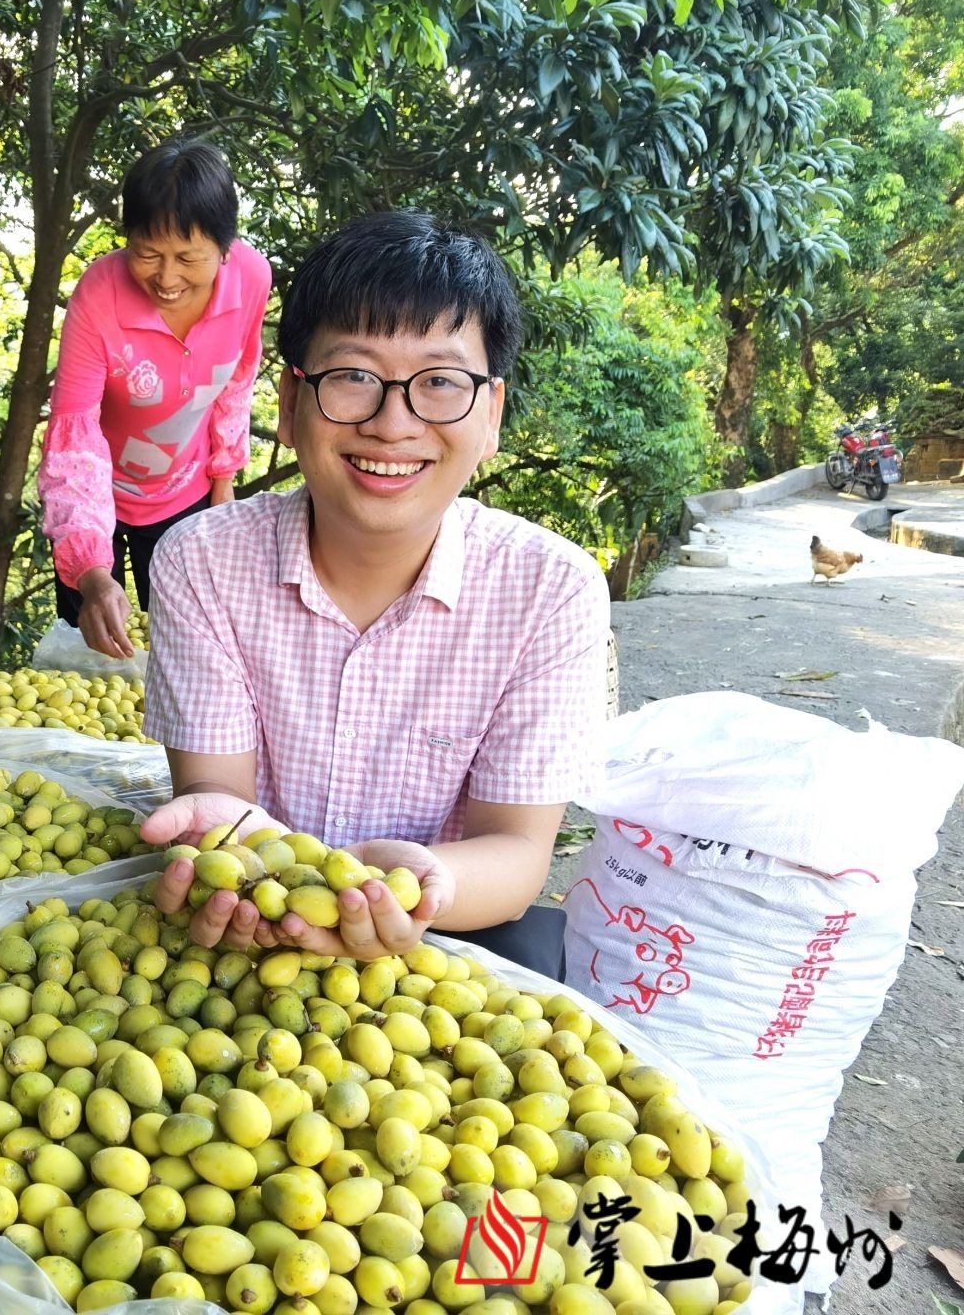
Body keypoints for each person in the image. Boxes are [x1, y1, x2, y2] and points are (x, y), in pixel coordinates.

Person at [138, 209, 610, 977]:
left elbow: (519, 851)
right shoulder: (202, 562)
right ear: (291, 404)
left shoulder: (550, 590)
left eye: (440, 383)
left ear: (490, 414)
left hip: (445, 938)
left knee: (541, 952)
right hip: (248, 924)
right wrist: (248, 857)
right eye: (353, 377)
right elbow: (216, 792)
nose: (394, 424)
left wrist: (425, 886)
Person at [37, 136, 274, 659]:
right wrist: (93, 576)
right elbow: (73, 436)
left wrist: (223, 482)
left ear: (225, 248)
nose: (167, 278)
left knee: (186, 649)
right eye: (148, 254)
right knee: (93, 649)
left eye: (189, 257)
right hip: (94, 497)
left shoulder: (252, 280)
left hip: (184, 492)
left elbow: (237, 379)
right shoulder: (99, 295)